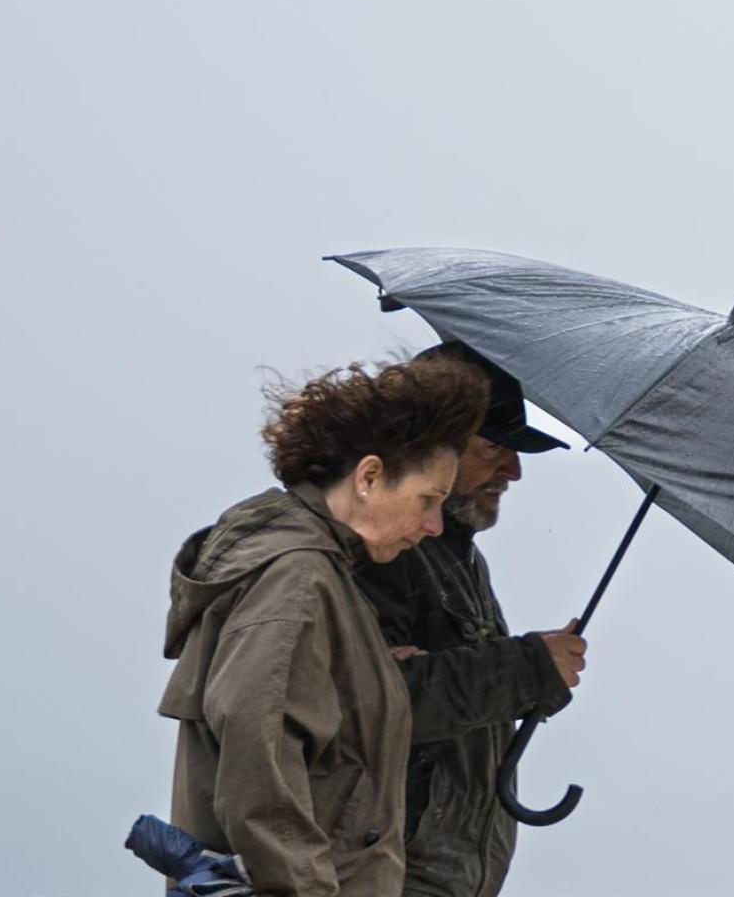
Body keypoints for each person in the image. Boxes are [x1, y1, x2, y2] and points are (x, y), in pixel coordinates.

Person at [157, 355, 489, 897]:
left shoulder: (325, 577)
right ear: (370, 477)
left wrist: (372, 674)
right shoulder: (299, 579)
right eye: (427, 500)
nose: (433, 526)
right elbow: (259, 761)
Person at [356, 342, 587, 897]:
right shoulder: (380, 546)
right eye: (496, 447)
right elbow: (373, 705)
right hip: (382, 877)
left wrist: (532, 675)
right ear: (433, 444)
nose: (514, 470)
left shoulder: (460, 558)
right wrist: (528, 669)